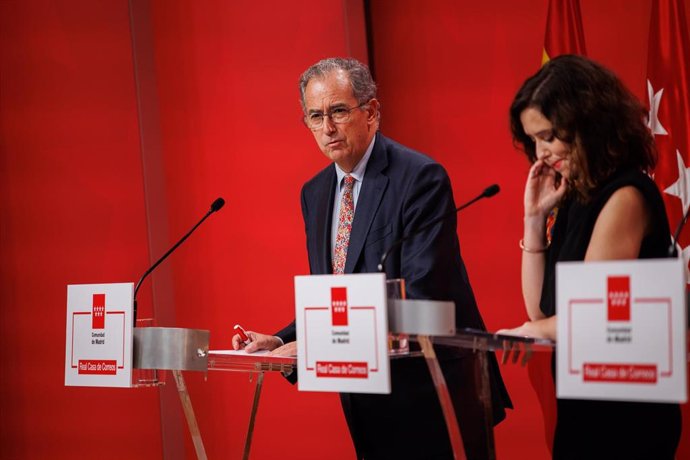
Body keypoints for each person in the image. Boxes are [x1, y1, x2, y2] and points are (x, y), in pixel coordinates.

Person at [232, 57, 511, 459]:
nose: (327, 128)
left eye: (339, 111)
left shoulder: (419, 178)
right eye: (315, 116)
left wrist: (310, 347)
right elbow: (336, 298)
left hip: (433, 393)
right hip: (365, 396)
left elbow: (421, 299)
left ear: (372, 112)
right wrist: (281, 341)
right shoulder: (315, 194)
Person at [499, 54, 681, 459]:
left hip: (625, 415)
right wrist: (534, 219)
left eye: (548, 136)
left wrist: (531, 330)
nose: (540, 152)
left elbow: (594, 317)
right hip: (583, 403)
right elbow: (542, 313)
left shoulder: (625, 196)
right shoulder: (577, 196)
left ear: (587, 126)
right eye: (532, 141)